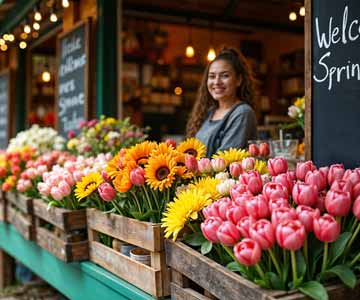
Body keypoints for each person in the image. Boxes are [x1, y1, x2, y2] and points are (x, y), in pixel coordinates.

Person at [186, 47, 258, 157]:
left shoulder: (242, 113)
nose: (217, 82)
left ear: (238, 80)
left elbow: (223, 161)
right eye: (212, 76)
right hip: (201, 173)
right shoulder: (210, 112)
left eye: (225, 76)